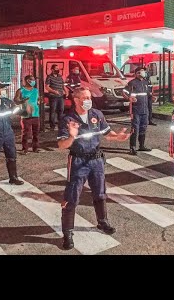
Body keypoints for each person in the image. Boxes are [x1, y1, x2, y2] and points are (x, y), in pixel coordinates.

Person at [57, 86, 130, 250]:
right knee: (71, 197)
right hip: (78, 162)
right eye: (85, 97)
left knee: (100, 193)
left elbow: (107, 134)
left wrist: (117, 137)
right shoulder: (68, 119)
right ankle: (67, 233)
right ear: (76, 100)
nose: (89, 100)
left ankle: (102, 222)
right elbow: (62, 145)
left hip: (96, 161)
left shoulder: (97, 114)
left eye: (89, 97)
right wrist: (71, 136)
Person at [122, 67, 152, 155]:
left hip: (144, 110)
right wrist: (129, 98)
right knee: (135, 128)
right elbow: (123, 92)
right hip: (135, 110)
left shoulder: (146, 82)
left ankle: (141, 146)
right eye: (141, 72)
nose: (143, 73)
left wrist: (152, 97)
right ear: (137, 73)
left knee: (143, 128)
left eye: (143, 71)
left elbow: (148, 94)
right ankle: (132, 147)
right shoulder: (132, 83)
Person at [14, 74, 40, 154]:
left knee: (36, 133)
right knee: (26, 133)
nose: (34, 81)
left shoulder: (36, 90)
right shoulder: (21, 90)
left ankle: (35, 148)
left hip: (35, 114)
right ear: (28, 80)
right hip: (26, 115)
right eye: (32, 80)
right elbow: (16, 100)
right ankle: (25, 148)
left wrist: (38, 102)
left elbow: (38, 100)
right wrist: (22, 101)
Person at [45, 64, 66, 131]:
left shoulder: (60, 76)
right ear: (52, 69)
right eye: (56, 68)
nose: (58, 70)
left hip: (60, 96)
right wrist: (53, 91)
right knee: (53, 110)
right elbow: (47, 87)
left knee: (61, 110)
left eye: (58, 68)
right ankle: (52, 125)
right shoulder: (49, 77)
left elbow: (63, 85)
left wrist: (66, 91)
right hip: (53, 96)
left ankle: (60, 124)